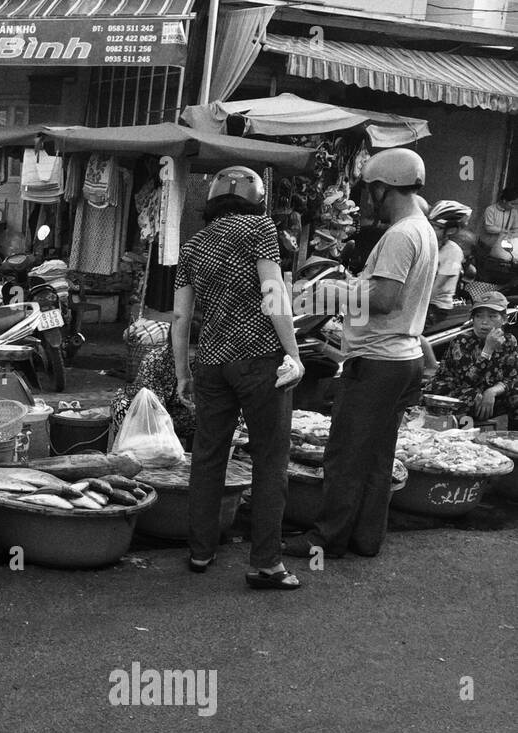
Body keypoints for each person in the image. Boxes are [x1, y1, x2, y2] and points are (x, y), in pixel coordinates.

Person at [285, 147, 435, 561]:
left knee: (346, 455)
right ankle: (366, 539)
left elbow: (384, 298)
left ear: (383, 188)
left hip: (378, 361)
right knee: (376, 456)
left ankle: (325, 539)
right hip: (402, 358)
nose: (367, 200)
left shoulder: (401, 234)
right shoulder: (423, 229)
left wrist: (328, 294)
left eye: (369, 191)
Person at [172, 165, 303, 590]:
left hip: (211, 363)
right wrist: (294, 353)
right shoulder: (259, 227)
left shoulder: (192, 245)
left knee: (208, 458)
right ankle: (265, 564)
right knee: (269, 462)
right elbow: (272, 294)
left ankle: (200, 551)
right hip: (259, 360)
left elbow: (180, 317)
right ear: (257, 199)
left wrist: (182, 372)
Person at [426, 291, 518, 423]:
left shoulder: (510, 341)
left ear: (504, 319)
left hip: (489, 393)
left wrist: (493, 391)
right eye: (479, 316)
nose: (484, 322)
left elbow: (512, 377)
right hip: (455, 391)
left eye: (492, 317)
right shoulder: (462, 341)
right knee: (474, 396)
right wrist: (488, 349)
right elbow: (468, 381)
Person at [427, 200, 470, 321]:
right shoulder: (426, 243)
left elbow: (437, 287)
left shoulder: (452, 251)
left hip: (434, 307)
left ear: (450, 230)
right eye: (429, 225)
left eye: (436, 227)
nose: (430, 229)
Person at [481, 183, 518, 269]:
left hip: (502, 247)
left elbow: (516, 229)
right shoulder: (490, 210)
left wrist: (513, 234)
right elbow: (489, 228)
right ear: (504, 201)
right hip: (487, 246)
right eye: (512, 204)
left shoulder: (514, 212)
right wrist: (504, 231)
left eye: (516, 204)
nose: (514, 207)